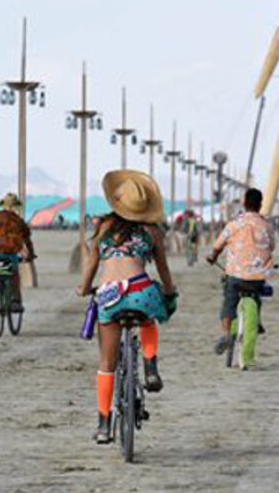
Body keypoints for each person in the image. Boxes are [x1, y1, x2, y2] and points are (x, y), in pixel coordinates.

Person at [77, 170, 178, 444]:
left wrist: (84, 288)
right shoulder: (153, 232)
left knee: (106, 362)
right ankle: (150, 365)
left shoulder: (105, 227)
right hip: (140, 290)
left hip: (109, 295)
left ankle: (103, 423)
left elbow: (91, 264)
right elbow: (163, 269)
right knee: (148, 318)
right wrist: (168, 292)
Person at [207, 188, 275, 353]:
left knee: (229, 300)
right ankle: (256, 320)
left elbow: (217, 246)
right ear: (260, 205)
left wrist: (213, 257)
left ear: (244, 203)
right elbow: (271, 247)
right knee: (257, 295)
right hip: (258, 275)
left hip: (235, 274)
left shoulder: (234, 224)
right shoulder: (266, 225)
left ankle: (225, 333)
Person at [0, 193, 36, 312]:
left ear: (3, 205)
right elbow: (27, 240)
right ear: (15, 207)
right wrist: (30, 254)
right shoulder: (18, 221)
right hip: (9, 254)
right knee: (14, 274)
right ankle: (16, 301)